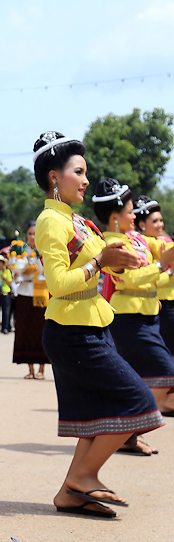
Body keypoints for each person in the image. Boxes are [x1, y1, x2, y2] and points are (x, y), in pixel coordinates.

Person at [33, 132, 164, 518]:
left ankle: (70, 492)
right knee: (139, 400)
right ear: (54, 177)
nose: (85, 180)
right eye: (78, 172)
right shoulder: (51, 221)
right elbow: (58, 284)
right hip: (72, 331)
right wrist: (100, 263)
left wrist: (118, 262)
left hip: (92, 324)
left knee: (94, 417)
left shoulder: (76, 220)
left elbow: (100, 265)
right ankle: (84, 476)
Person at [92, 178, 174, 456]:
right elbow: (131, 280)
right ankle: (127, 428)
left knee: (140, 377)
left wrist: (163, 261)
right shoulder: (112, 243)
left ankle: (127, 434)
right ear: (115, 218)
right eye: (130, 212)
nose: (134, 216)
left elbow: (162, 248)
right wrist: (162, 265)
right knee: (165, 372)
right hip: (129, 319)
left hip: (148, 315)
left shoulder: (137, 238)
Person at [133, 195, 174, 418]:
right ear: (142, 224)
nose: (160, 224)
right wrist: (170, 272)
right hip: (162, 305)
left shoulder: (162, 241)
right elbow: (156, 279)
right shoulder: (147, 244)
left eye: (160, 220)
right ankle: (160, 403)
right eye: (154, 221)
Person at [10, 223, 49, 379]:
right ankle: (30, 368)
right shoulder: (21, 251)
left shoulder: (46, 251)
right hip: (25, 293)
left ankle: (41, 369)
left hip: (41, 294)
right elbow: (16, 270)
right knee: (25, 330)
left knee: (41, 330)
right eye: (30, 234)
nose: (32, 237)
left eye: (35, 233)